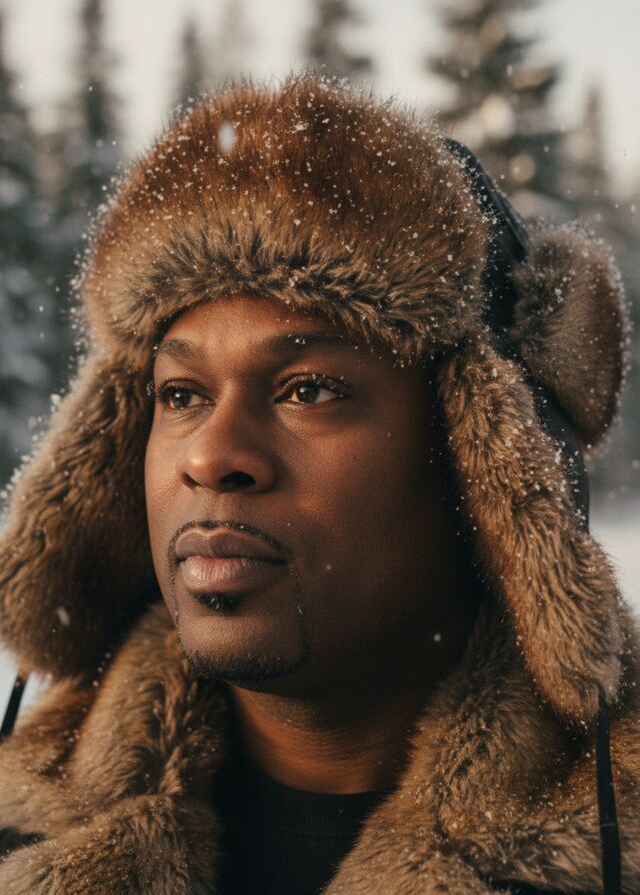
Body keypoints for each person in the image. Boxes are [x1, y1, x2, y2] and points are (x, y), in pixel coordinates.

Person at [0, 75, 637, 895]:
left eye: (309, 390)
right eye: (182, 396)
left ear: (482, 465)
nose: (213, 455)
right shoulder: (19, 834)